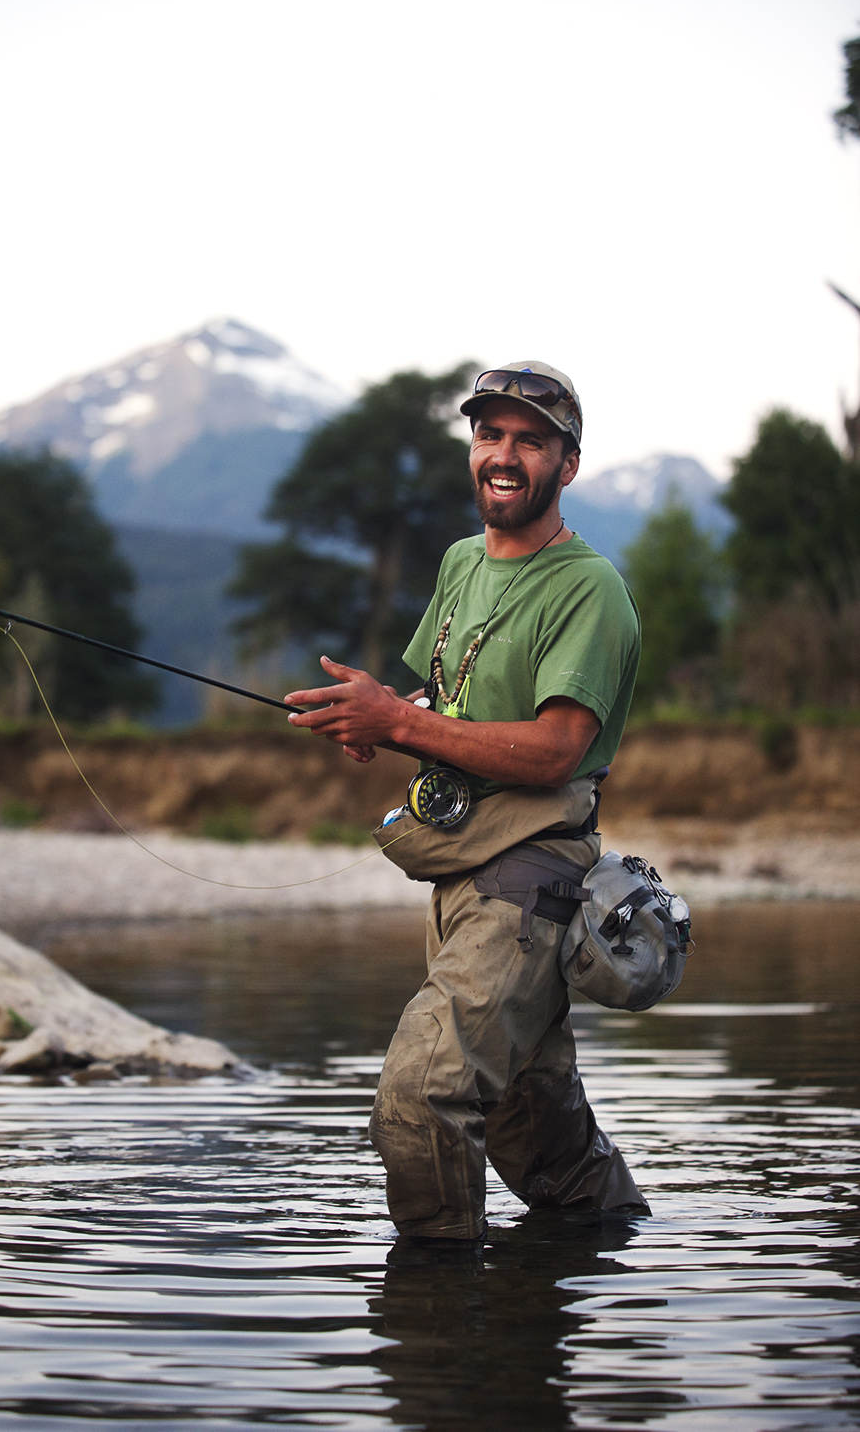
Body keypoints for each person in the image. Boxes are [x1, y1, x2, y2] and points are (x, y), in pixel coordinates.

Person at [284, 360, 649, 1242]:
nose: (505, 454)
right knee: (537, 1136)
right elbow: (448, 703)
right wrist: (382, 717)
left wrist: (404, 727)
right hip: (457, 873)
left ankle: (440, 1324)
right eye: (490, 434)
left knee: (421, 1093)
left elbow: (558, 747)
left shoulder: (588, 589)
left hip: (531, 880)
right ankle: (609, 1245)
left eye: (531, 440)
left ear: (568, 464)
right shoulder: (459, 563)